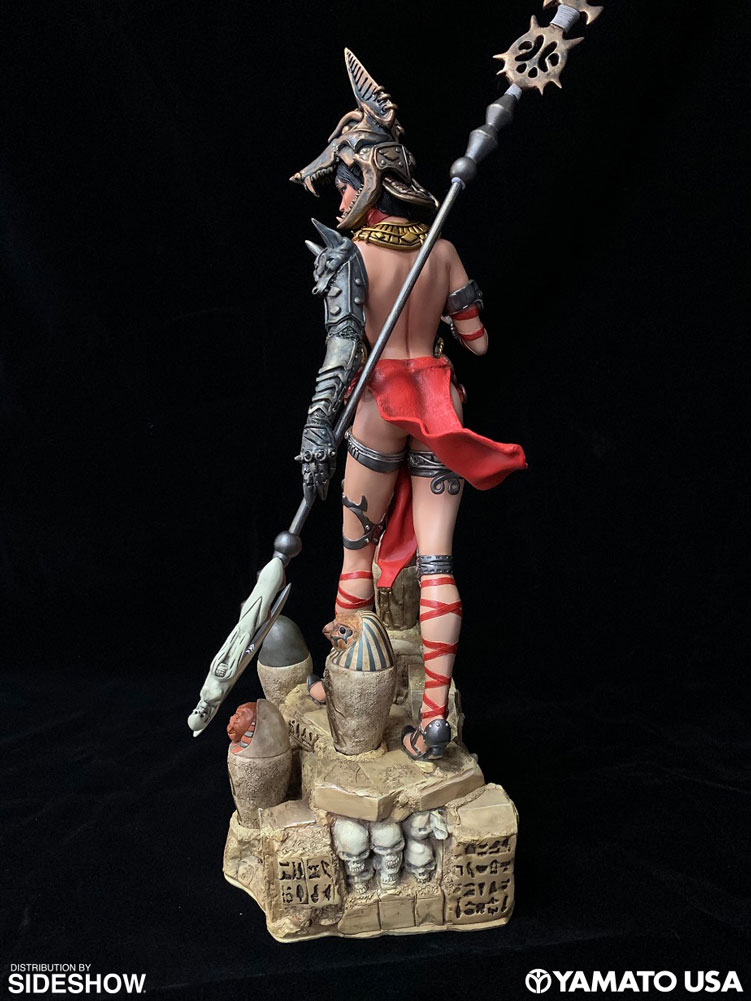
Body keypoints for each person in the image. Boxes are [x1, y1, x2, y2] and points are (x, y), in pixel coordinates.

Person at [292, 51, 526, 760]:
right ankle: (433, 717)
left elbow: (339, 358)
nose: (337, 198)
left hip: (378, 404)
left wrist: (315, 436)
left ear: (368, 181)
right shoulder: (442, 251)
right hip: (439, 401)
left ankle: (345, 681)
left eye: (341, 182)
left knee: (355, 550)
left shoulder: (350, 256)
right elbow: (477, 342)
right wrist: (443, 314)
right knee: (437, 560)